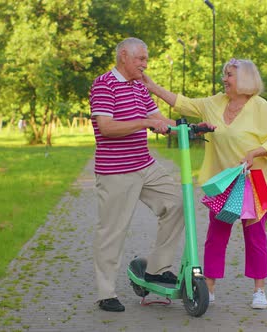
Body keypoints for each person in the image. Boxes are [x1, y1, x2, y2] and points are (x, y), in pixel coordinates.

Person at [142, 58, 267, 309]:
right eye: (224, 74)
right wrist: (153, 87)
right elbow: (182, 103)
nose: (224, 79)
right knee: (216, 236)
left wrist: (255, 153)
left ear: (245, 79)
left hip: (255, 181)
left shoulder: (260, 106)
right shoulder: (214, 103)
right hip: (222, 182)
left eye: (229, 75)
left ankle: (259, 290)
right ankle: (208, 286)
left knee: (256, 237)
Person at [90, 37, 186, 312]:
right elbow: (107, 127)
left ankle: (156, 269)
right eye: (140, 59)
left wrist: (188, 127)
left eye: (145, 59)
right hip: (116, 171)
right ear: (123, 56)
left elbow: (159, 119)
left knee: (178, 203)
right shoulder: (104, 84)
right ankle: (106, 293)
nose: (145, 64)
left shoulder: (139, 87)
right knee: (113, 231)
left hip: (145, 165)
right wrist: (145, 122)